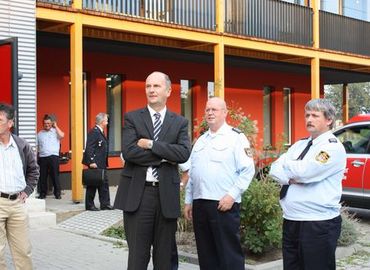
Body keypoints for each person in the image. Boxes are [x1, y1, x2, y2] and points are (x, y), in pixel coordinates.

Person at [114, 71, 191, 270]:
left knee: (164, 258)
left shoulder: (179, 122)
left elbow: (183, 154)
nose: (151, 90)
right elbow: (130, 152)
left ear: (168, 91)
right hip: (138, 196)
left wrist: (150, 144)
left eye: (156, 86)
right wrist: (166, 155)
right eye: (148, 86)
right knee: (138, 258)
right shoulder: (132, 117)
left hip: (166, 195)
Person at [269, 98, 346, 270]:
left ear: (328, 120)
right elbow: (274, 169)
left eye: (315, 116)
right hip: (292, 220)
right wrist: (291, 177)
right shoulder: (300, 145)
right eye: (307, 115)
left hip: (318, 223)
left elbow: (306, 172)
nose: (309, 119)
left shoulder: (332, 147)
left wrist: (289, 166)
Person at [183, 97, 255, 270]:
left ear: (225, 113)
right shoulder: (201, 140)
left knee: (229, 254)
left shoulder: (237, 137)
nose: (209, 113)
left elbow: (248, 170)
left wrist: (232, 196)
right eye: (207, 110)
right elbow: (193, 173)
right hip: (200, 204)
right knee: (206, 254)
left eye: (214, 109)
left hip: (223, 204)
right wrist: (188, 200)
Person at [0, 103, 39, 270]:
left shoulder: (22, 145)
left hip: (18, 204)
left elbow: (33, 170)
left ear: (10, 123)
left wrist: (28, 190)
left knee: (23, 251)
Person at [82, 113, 113, 211]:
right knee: (92, 184)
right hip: (95, 163)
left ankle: (105, 204)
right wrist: (91, 161)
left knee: (103, 184)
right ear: (102, 121)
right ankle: (90, 205)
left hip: (101, 163)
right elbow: (89, 148)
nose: (107, 122)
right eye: (106, 120)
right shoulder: (94, 132)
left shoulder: (100, 131)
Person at [37, 114, 64, 199]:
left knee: (55, 176)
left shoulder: (55, 131)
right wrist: (35, 158)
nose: (47, 125)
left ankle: (57, 193)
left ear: (51, 123)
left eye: (49, 123)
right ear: (43, 124)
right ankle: (42, 194)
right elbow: (37, 147)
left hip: (53, 157)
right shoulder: (39, 134)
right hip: (42, 157)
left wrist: (56, 126)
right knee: (42, 176)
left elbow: (62, 136)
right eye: (45, 123)